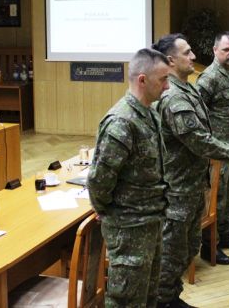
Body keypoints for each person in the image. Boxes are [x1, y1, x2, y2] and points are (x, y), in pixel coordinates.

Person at [153, 33, 229, 308]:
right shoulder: (173, 96)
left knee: (187, 249)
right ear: (170, 60)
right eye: (187, 52)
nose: (193, 56)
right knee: (171, 255)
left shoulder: (186, 88)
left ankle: (172, 298)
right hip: (176, 189)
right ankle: (163, 302)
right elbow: (199, 140)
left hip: (191, 185)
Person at [87, 48, 171, 308]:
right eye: (163, 79)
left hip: (151, 222)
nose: (168, 86)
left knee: (148, 298)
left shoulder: (150, 113)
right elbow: (99, 181)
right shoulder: (121, 122)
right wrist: (107, 211)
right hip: (129, 229)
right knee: (126, 302)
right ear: (142, 80)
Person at [195, 31, 229, 262]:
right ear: (215, 50)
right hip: (218, 151)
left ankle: (224, 235)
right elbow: (199, 114)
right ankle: (210, 246)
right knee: (217, 199)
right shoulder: (210, 77)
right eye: (226, 49)